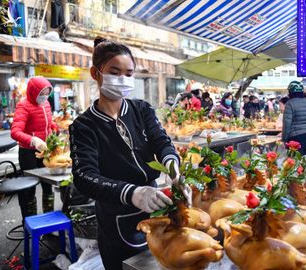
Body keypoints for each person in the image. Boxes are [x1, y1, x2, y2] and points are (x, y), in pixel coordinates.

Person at [69, 37, 192, 270]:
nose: (123, 79)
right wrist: (132, 192)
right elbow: (84, 176)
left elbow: (161, 142)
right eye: (115, 72)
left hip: (157, 208)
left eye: (129, 73)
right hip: (115, 217)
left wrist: (174, 171)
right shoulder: (84, 126)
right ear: (96, 73)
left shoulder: (141, 110)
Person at [10, 76, 57, 220]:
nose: (44, 96)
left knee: (48, 186)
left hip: (45, 150)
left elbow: (48, 124)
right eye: (41, 93)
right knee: (29, 189)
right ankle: (31, 224)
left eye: (47, 93)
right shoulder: (23, 105)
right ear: (33, 92)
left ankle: (48, 223)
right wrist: (33, 140)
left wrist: (54, 128)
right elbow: (15, 132)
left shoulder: (46, 104)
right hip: (28, 153)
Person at [282, 81, 306, 155]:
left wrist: (284, 139)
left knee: (296, 161)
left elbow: (287, 123)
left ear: (290, 92)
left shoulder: (289, 104)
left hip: (295, 137)